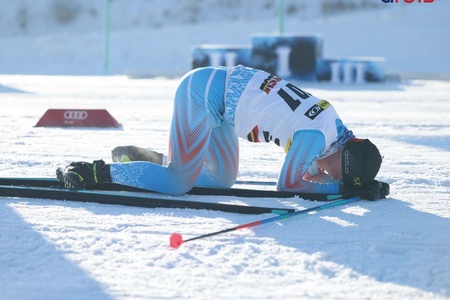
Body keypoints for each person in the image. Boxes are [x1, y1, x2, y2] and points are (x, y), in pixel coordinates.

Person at [57, 65, 389, 200]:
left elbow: (316, 173)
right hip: (203, 95)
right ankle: (92, 170)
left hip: (223, 104)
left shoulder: (333, 128)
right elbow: (288, 185)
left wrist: (355, 183)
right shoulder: (317, 137)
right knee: (178, 182)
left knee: (221, 179)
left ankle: (152, 162)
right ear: (343, 158)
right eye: (339, 173)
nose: (326, 171)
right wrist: (346, 190)